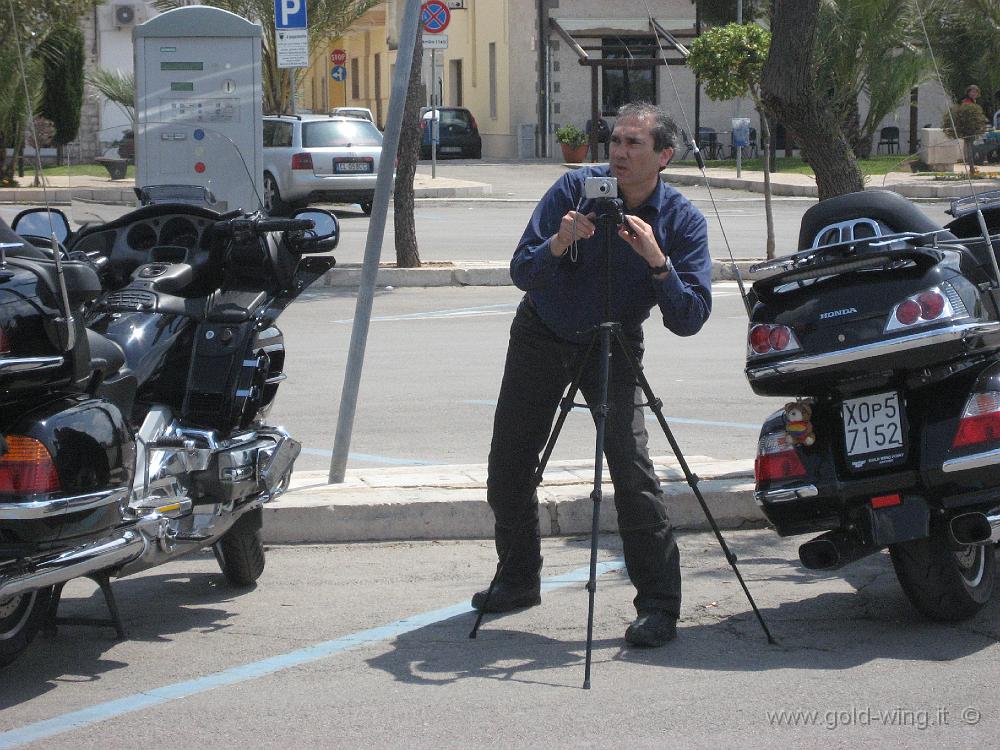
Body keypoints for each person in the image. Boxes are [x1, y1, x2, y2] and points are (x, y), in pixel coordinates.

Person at [472, 102, 712, 648]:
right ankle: (517, 579)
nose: (620, 153)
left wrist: (658, 262)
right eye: (616, 142)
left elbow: (690, 318)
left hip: (614, 343)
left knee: (631, 472)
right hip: (543, 331)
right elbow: (520, 271)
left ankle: (657, 606)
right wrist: (559, 243)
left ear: (664, 156)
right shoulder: (574, 190)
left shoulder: (680, 219)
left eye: (634, 145)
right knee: (508, 459)